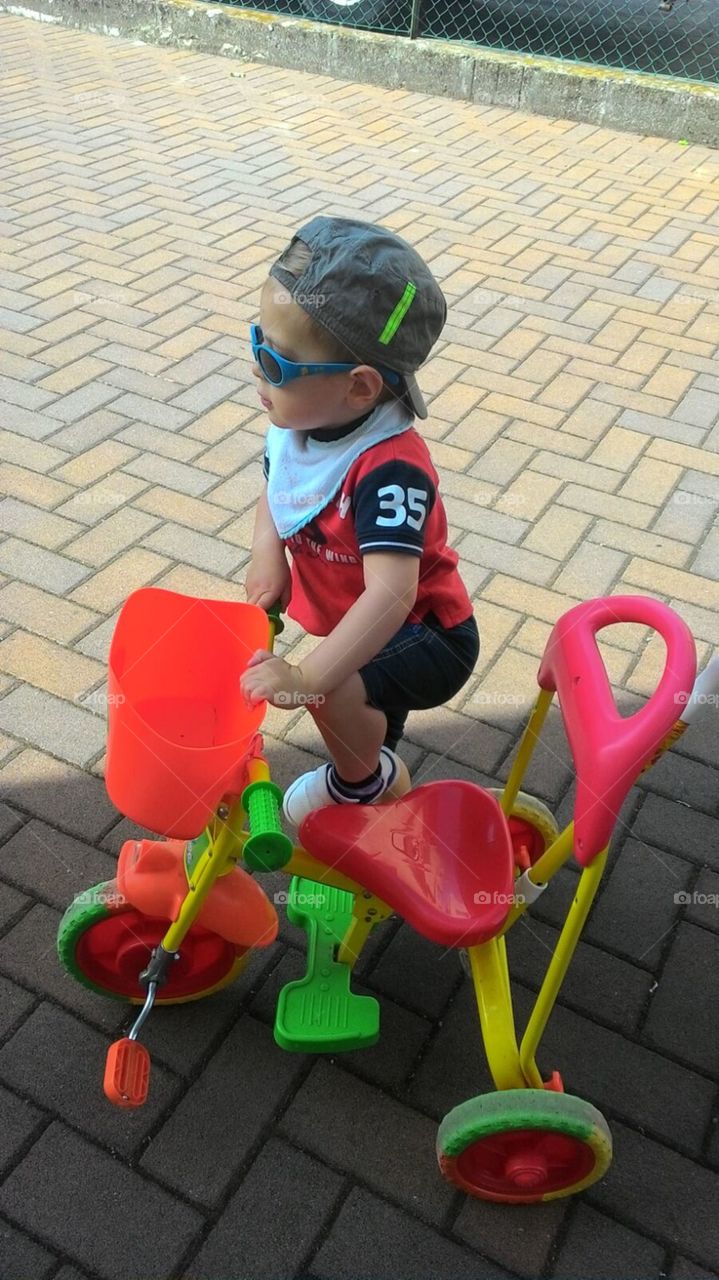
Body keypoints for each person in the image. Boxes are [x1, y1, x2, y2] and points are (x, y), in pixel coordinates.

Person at [240, 216, 479, 828]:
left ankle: (365, 781)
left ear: (360, 389)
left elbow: (394, 593)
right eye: (255, 342)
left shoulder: (388, 469)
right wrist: (268, 546)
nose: (258, 370)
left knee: (334, 689)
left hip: (427, 635)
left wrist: (304, 676)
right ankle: (378, 798)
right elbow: (280, 481)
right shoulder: (302, 415)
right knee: (360, 702)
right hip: (372, 623)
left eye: (278, 363)